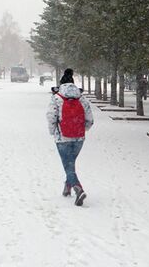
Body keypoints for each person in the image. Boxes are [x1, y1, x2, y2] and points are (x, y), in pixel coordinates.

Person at [47, 70, 94, 206]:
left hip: (63, 137)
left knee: (68, 165)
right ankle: (67, 188)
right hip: (79, 138)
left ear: (61, 84)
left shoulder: (57, 97)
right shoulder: (82, 98)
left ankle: (78, 189)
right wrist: (83, 130)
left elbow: (51, 116)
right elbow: (90, 119)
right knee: (70, 163)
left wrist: (52, 131)